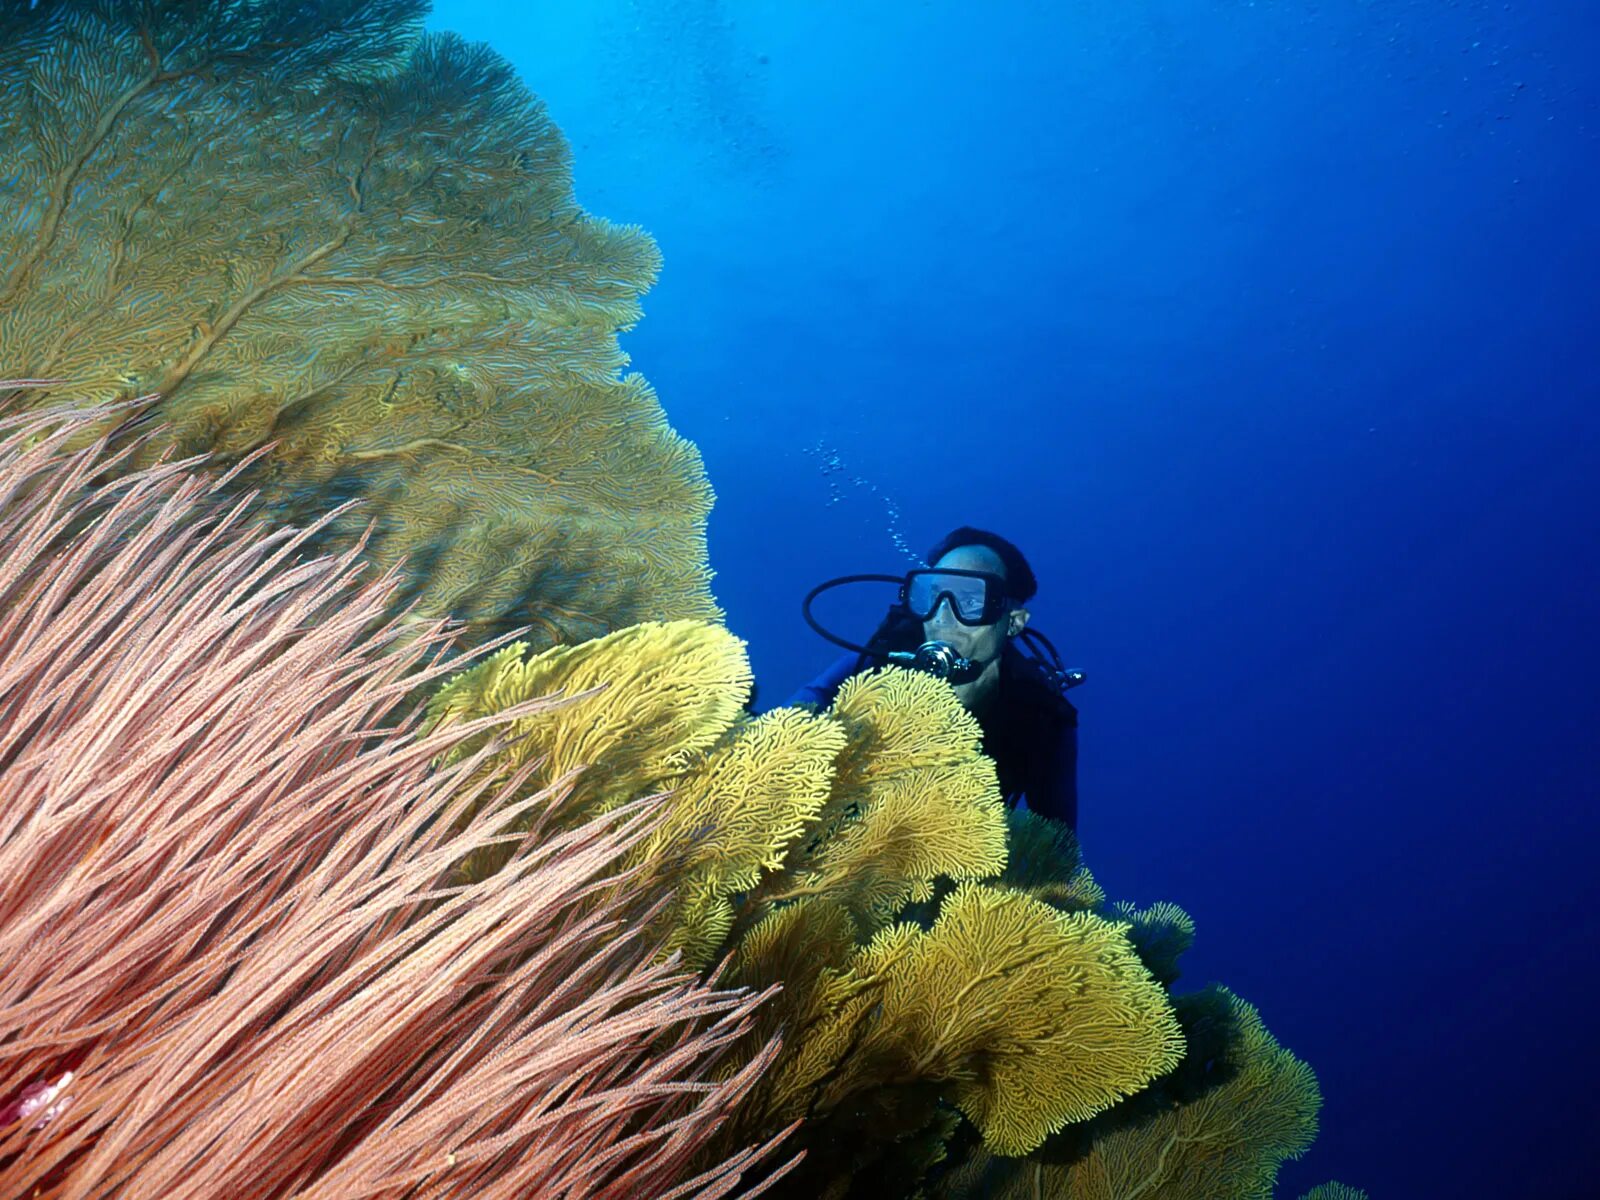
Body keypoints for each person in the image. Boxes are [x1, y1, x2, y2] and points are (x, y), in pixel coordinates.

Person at [787, 526, 1080, 831]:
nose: (942, 617)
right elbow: (788, 721)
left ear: (1014, 621)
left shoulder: (1045, 719)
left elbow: (1057, 844)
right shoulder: (874, 666)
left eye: (969, 600)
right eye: (933, 596)